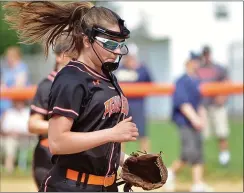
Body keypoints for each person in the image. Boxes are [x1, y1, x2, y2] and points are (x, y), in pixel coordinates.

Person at [4, 1, 138, 192]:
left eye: (119, 44)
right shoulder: (72, 78)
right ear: (86, 40)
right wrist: (112, 134)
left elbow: (96, 132)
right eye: (109, 43)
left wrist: (125, 160)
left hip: (105, 187)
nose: (117, 51)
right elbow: (57, 142)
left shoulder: (108, 77)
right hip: (73, 186)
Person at [28, 35, 76, 190]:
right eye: (73, 55)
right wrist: (60, 127)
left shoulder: (80, 86)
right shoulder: (47, 85)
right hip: (48, 157)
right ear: (60, 56)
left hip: (72, 157)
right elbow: (33, 124)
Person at [165, 53, 213, 192]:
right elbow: (183, 103)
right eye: (194, 61)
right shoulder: (182, 80)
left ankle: (171, 175)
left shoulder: (197, 81)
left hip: (196, 121)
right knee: (192, 151)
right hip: (185, 122)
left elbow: (200, 103)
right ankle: (196, 183)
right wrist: (195, 119)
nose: (196, 64)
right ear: (188, 63)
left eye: (198, 61)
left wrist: (202, 119)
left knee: (190, 153)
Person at [115, 43, 152, 152]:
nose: (129, 59)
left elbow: (151, 85)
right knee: (121, 135)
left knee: (143, 135)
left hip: (138, 105)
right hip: (122, 106)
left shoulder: (142, 69)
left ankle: (145, 162)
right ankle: (119, 164)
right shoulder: (119, 69)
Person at [197, 46, 230, 166]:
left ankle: (224, 159)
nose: (206, 56)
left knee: (222, 133)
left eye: (207, 54)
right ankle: (201, 160)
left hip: (217, 106)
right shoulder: (198, 69)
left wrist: (223, 97)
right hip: (203, 106)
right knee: (202, 135)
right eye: (204, 54)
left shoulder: (218, 68)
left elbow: (227, 83)